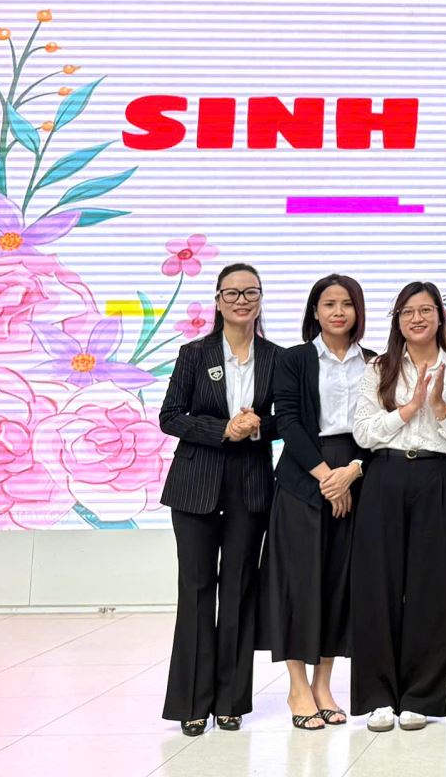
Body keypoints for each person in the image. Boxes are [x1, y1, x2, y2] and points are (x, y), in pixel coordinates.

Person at [159, 262, 279, 736]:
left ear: (260, 299)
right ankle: (192, 701)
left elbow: (288, 418)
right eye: (232, 293)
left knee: (238, 592)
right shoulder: (194, 353)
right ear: (217, 301)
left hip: (250, 488)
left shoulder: (276, 357)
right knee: (196, 591)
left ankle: (230, 701)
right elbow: (170, 416)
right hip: (195, 487)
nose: (241, 301)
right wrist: (223, 429)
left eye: (250, 292)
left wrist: (257, 427)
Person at [259, 274, 376, 729]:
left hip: (356, 473)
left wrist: (351, 473)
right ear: (315, 311)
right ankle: (297, 687)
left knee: (337, 582)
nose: (338, 312)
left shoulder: (375, 362)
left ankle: (323, 684)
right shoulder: (294, 359)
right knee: (297, 581)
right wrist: (327, 478)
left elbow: (380, 423)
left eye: (347, 303)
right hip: (303, 475)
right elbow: (287, 420)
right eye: (329, 303)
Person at [350, 281, 446, 733]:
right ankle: (378, 696)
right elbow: (363, 433)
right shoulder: (379, 367)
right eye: (407, 311)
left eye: (426, 310)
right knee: (377, 586)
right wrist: (408, 409)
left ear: (440, 316)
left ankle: (423, 695)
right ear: (397, 320)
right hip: (385, 475)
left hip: (436, 476)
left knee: (431, 587)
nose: (417, 318)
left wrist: (437, 407)